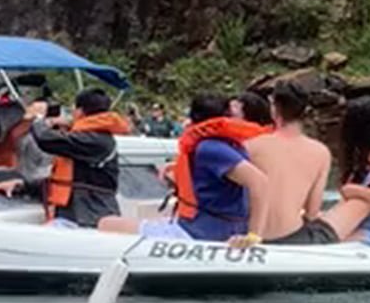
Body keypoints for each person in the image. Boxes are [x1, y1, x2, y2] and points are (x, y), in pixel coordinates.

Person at [100, 94, 270, 245]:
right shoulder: (229, 145)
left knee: (107, 223)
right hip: (208, 226)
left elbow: (260, 182)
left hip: (201, 233)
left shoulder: (209, 148)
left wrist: (254, 236)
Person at [0, 89, 131, 228]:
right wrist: (21, 185)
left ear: (79, 111)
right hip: (78, 215)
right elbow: (66, 181)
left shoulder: (96, 141)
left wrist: (39, 118)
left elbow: (45, 139)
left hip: (90, 217)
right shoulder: (93, 137)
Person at [248, 82, 334, 244]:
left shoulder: (251, 146)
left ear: (274, 108)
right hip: (292, 237)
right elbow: (312, 212)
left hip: (251, 235)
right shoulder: (321, 152)